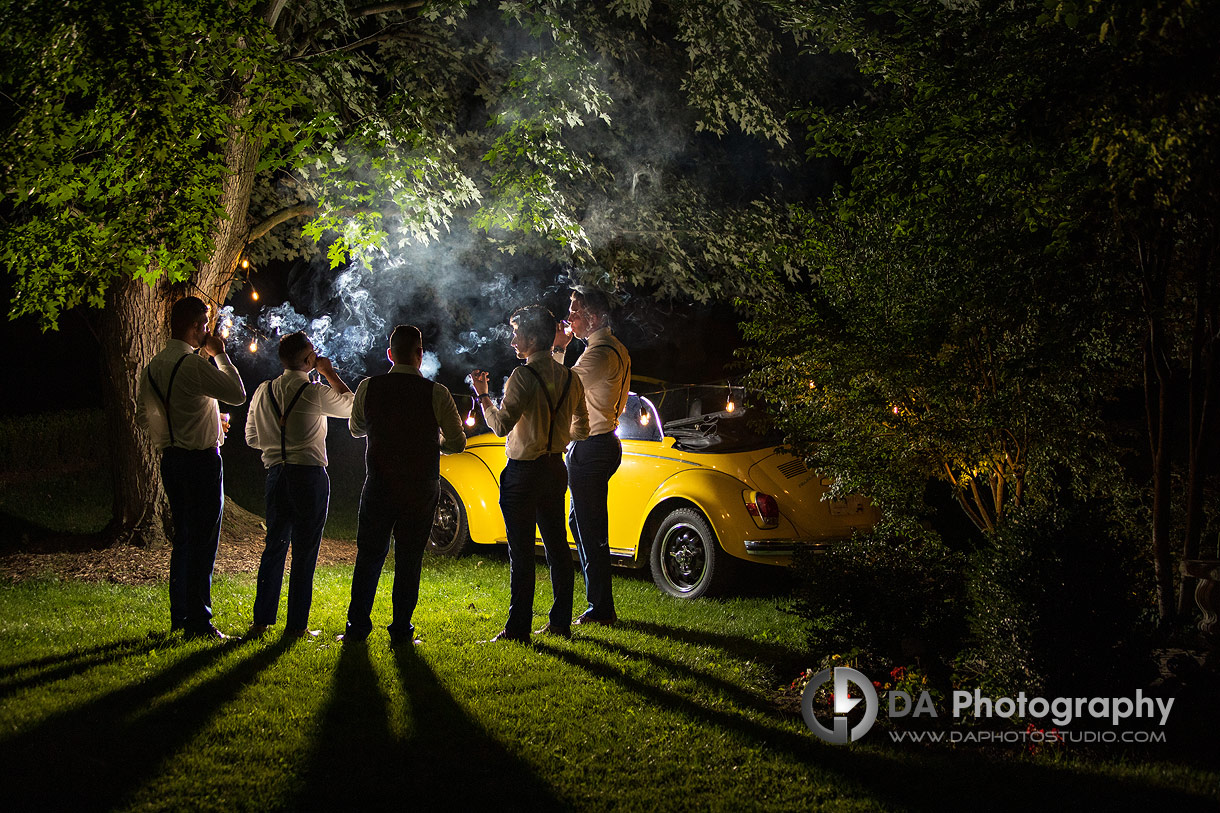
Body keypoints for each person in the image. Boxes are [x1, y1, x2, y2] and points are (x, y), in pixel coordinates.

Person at [341, 325, 466, 645]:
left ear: (389, 354)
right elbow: (457, 442)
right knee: (409, 559)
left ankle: (356, 628)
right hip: (420, 487)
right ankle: (400, 630)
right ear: (420, 355)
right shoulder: (437, 393)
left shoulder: (369, 387)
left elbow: (355, 430)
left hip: (379, 483)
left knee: (369, 555)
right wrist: (433, 441)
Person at [472, 305, 589, 642]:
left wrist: (482, 396)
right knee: (556, 548)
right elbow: (582, 429)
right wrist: (558, 436)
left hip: (523, 473)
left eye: (516, 332)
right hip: (555, 468)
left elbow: (499, 426)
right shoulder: (570, 377)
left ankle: (518, 628)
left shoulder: (522, 376)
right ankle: (560, 622)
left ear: (534, 337)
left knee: (521, 552)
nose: (512, 340)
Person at [136, 295, 246, 639]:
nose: (207, 331)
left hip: (171, 460)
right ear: (196, 326)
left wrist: (204, 420)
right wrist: (220, 354)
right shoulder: (194, 363)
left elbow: (144, 417)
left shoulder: (153, 366)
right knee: (203, 541)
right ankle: (200, 621)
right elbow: (237, 393)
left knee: (184, 539)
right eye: (205, 325)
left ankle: (180, 616)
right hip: (200, 461)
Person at [245, 332, 354, 639]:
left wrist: (276, 445)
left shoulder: (263, 390)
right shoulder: (314, 392)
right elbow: (353, 407)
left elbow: (251, 437)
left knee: (274, 549)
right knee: (305, 552)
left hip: (276, 475)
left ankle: (261, 621)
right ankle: (296, 626)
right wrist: (329, 372)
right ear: (309, 360)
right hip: (308, 476)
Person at [552, 286, 631, 626]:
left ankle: (602, 609)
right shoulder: (613, 349)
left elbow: (558, 388)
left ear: (594, 316)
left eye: (575, 311)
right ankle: (598, 603)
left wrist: (557, 348)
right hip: (600, 442)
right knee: (579, 522)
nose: (569, 318)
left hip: (593, 445)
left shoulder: (599, 354)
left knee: (590, 526)